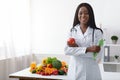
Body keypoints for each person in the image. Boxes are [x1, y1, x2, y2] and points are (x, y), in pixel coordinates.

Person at [64, 3, 103, 80]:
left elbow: (98, 56)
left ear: (90, 15)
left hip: (91, 73)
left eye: (86, 13)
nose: (83, 15)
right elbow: (67, 51)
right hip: (75, 72)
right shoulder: (72, 31)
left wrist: (76, 50)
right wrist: (88, 49)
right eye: (80, 13)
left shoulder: (98, 32)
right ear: (77, 15)